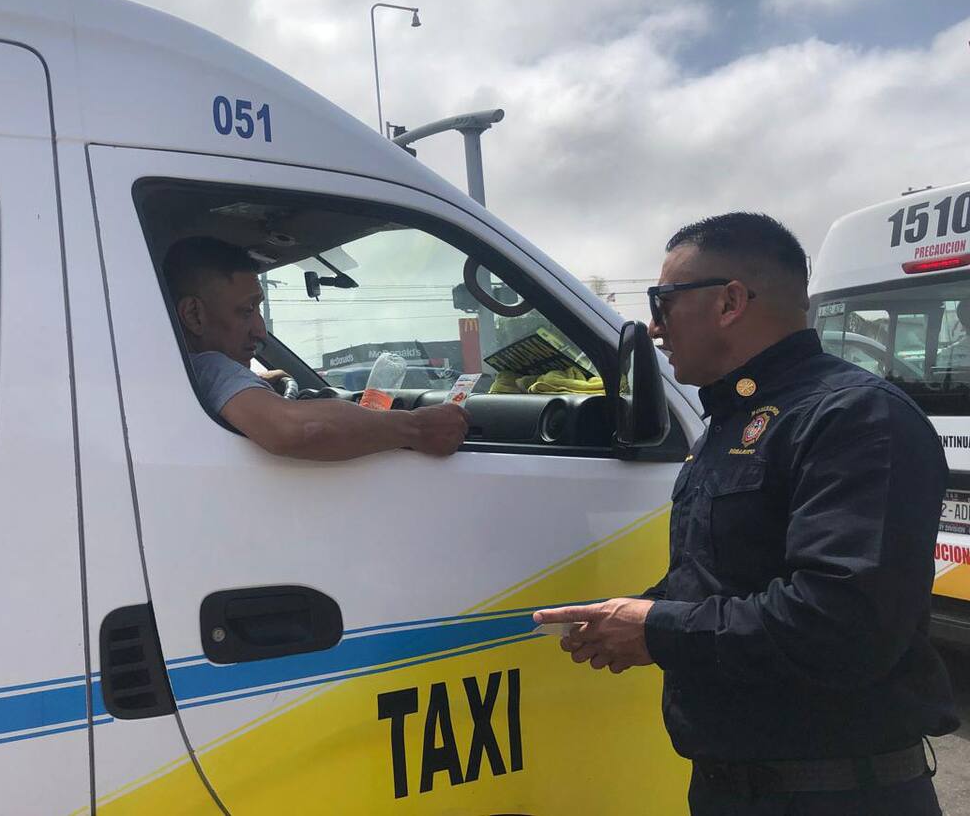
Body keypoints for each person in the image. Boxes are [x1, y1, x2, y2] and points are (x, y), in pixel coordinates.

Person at [534, 212, 958, 814]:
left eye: (664, 301)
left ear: (730, 301)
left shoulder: (855, 418)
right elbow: (725, 579)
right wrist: (632, 618)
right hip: (733, 788)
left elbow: (844, 626)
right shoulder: (732, 420)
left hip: (836, 795)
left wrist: (658, 630)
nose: (654, 328)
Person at [163, 237, 469, 461]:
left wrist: (255, 386)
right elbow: (295, 429)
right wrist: (416, 428)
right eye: (245, 311)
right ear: (193, 315)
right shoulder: (210, 367)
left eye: (259, 310)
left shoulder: (188, 376)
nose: (260, 330)